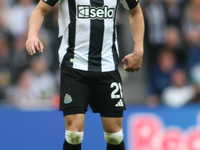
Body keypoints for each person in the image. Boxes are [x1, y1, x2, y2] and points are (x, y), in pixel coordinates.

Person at [25, 0, 144, 150]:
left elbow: (136, 11)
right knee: (74, 134)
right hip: (74, 67)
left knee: (114, 135)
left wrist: (138, 50)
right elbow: (39, 10)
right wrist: (32, 35)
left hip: (107, 67)